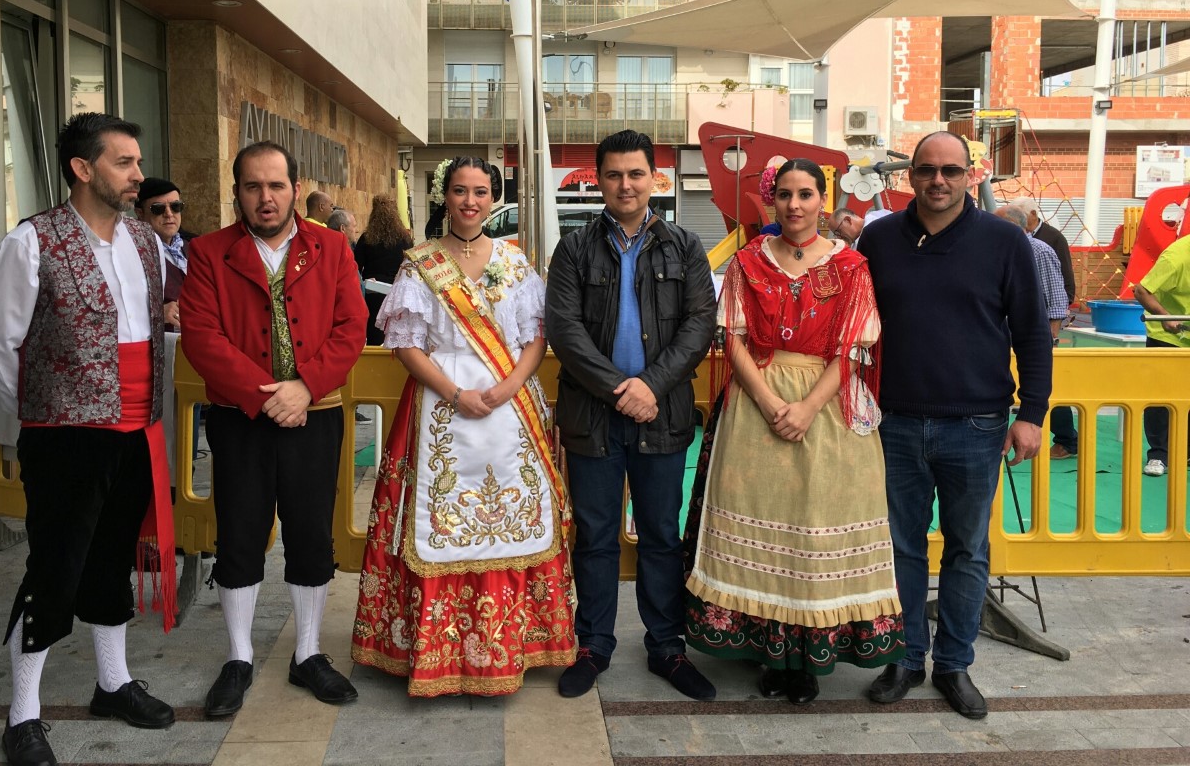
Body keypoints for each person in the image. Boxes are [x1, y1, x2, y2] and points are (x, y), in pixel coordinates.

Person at [0, 113, 177, 766]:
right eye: (124, 162)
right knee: (54, 570)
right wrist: (47, 412)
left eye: (137, 161)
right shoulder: (30, 242)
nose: (138, 174)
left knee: (113, 557)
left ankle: (112, 683)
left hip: (135, 429)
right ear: (82, 169)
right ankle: (23, 713)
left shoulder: (145, 242)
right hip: (65, 435)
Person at [683, 158, 905, 706]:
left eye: (806, 194)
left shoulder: (852, 267)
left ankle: (808, 659)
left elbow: (855, 346)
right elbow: (731, 337)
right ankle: (770, 653)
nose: (795, 205)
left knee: (815, 524)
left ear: (822, 200)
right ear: (771, 201)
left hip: (826, 406)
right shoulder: (745, 263)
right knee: (767, 522)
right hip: (755, 404)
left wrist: (805, 407)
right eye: (784, 195)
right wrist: (767, 400)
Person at [351, 155, 575, 695]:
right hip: (438, 405)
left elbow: (535, 337)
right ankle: (432, 651)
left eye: (480, 192)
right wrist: (455, 392)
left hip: (509, 404)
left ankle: (515, 644)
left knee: (514, 519)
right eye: (459, 191)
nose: (470, 201)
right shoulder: (419, 263)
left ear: (494, 198)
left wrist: (506, 388)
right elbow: (405, 343)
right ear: (444, 197)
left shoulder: (516, 262)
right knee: (433, 520)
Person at [858, 130, 1051, 720]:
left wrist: (1033, 415)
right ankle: (905, 658)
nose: (937, 180)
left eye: (950, 170)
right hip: (893, 421)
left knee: (967, 549)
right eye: (926, 170)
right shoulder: (878, 238)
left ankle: (954, 665)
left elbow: (1033, 333)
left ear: (971, 174)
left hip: (977, 422)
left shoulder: (1004, 241)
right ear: (908, 176)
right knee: (898, 548)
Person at [180, 141, 367, 718]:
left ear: (295, 187)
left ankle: (307, 653)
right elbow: (202, 337)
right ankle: (238, 658)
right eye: (253, 186)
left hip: (316, 412)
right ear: (236, 191)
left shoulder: (331, 247)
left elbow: (351, 325)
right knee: (239, 533)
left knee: (312, 534)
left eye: (276, 186)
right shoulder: (210, 253)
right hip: (242, 419)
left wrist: (306, 387)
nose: (266, 197)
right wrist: (266, 398)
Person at [545, 129, 718, 701]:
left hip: (661, 414)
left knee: (661, 536)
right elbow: (564, 331)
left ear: (654, 179)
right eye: (614, 174)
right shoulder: (572, 249)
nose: (625, 184)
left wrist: (651, 386)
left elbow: (700, 326)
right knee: (594, 535)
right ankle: (592, 644)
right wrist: (623, 387)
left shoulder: (685, 247)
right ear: (598, 180)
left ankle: (666, 647)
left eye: (635, 174)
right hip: (593, 415)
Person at [1009, 196, 1078, 459]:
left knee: (1045, 384)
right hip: (1014, 328)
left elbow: (1059, 295)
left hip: (1036, 331)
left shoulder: (1042, 247)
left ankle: (1066, 439)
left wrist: (1050, 334)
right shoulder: (1012, 248)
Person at [1132, 234, 1190, 477]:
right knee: (1160, 398)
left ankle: (1185, 452)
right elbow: (1141, 290)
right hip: (1168, 336)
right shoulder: (1176, 256)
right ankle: (1158, 455)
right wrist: (1166, 316)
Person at [995, 206, 1068, 341]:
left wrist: (1050, 337)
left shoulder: (1039, 251)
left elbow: (1056, 297)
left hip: (1033, 333)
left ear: (1011, 226)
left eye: (995, 224)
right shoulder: (1000, 250)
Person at [354, 192, 414, 346]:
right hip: (397, 293)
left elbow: (355, 266)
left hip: (372, 293)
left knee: (374, 336)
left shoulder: (367, 237)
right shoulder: (405, 238)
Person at [135, 177, 193, 331]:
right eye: (158, 208)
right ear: (140, 213)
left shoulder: (196, 246)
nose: (169, 214)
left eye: (176, 206)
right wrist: (158, 313)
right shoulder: (132, 253)